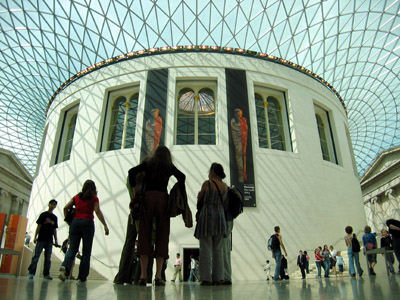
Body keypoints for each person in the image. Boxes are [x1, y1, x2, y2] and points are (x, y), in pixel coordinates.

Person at [129, 146, 186, 286]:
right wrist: (179, 190)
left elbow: (131, 172)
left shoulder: (149, 163)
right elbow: (182, 177)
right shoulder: (168, 166)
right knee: (162, 236)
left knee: (144, 234)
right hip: (162, 200)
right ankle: (158, 276)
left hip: (147, 198)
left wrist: (135, 190)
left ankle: (143, 276)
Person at [58, 180, 109, 282]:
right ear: (94, 188)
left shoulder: (76, 197)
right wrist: (105, 225)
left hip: (75, 223)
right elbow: (97, 211)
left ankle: (65, 267)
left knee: (72, 248)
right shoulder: (94, 198)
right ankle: (82, 276)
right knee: (86, 251)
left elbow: (65, 208)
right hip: (88, 224)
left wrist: (69, 222)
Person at [194, 163, 228, 285]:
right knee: (218, 249)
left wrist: (199, 196)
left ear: (212, 171)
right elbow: (224, 202)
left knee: (205, 248)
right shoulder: (224, 186)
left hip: (207, 216)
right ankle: (219, 278)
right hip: (220, 217)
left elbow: (200, 199)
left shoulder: (207, 183)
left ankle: (206, 278)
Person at [28, 199, 59, 280]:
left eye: (54, 205)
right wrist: (35, 237)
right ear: (49, 204)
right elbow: (39, 226)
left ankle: (46, 274)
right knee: (36, 256)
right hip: (41, 238)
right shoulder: (43, 215)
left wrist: (56, 240)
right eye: (52, 204)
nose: (53, 206)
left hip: (49, 240)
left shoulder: (55, 218)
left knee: (48, 258)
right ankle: (31, 272)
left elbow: (54, 230)